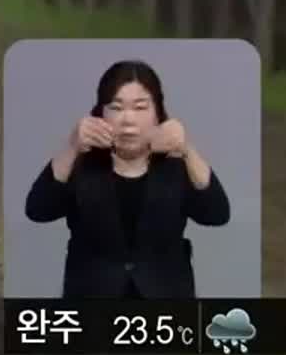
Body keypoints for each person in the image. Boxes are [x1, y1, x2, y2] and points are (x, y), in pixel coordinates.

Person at [24, 59, 230, 298]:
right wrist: (71, 147)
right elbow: (38, 210)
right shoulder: (81, 164)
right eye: (116, 107)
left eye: (140, 107)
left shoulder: (177, 167)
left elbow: (217, 214)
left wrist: (188, 150)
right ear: (100, 113)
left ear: (158, 113)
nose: (128, 120)